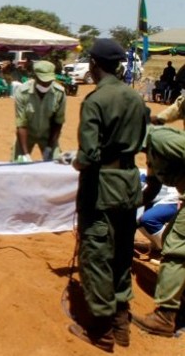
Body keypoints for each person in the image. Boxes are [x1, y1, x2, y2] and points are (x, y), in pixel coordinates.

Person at [68, 38, 146, 352]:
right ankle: (121, 322)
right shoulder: (136, 99)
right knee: (122, 254)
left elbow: (88, 155)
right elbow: (140, 140)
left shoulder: (96, 100)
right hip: (128, 184)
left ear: (94, 65)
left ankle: (101, 329)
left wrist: (76, 161)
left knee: (97, 255)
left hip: (101, 187)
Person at [131, 125, 185, 337]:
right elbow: (151, 189)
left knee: (176, 250)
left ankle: (164, 317)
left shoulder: (160, 140)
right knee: (173, 238)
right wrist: (126, 212)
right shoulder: (151, 152)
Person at [11, 61, 66, 162]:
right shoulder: (22, 92)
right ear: (35, 77)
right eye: (42, 81)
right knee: (16, 165)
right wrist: (25, 154)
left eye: (49, 81)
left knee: (56, 164)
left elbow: (58, 122)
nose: (45, 84)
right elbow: (21, 124)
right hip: (26, 135)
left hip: (48, 135)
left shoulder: (59, 93)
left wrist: (49, 147)